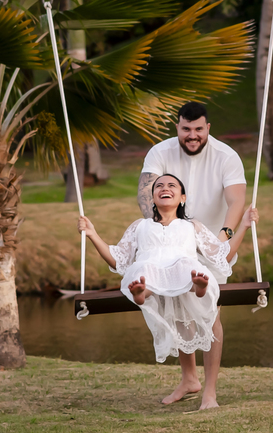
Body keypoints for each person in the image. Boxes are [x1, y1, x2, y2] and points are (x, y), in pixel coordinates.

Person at [78, 173, 258, 409]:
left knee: (189, 267)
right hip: (151, 273)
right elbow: (117, 260)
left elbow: (221, 254)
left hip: (185, 272)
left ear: (182, 197)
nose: (165, 188)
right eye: (159, 186)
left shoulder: (191, 226)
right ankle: (143, 293)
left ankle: (197, 288)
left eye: (172, 185)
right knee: (140, 270)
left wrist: (244, 225)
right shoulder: (140, 226)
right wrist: (92, 234)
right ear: (153, 198)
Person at [138, 102, 247, 407]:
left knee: (209, 313)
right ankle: (189, 379)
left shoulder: (226, 156)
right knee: (178, 310)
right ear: (178, 128)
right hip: (173, 242)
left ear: (207, 128)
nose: (192, 135)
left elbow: (236, 200)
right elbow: (146, 193)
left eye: (198, 129)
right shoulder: (160, 152)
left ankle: (209, 391)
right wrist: (165, 227)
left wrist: (223, 235)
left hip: (211, 241)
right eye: (186, 129)